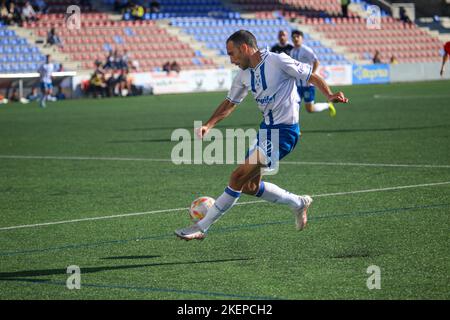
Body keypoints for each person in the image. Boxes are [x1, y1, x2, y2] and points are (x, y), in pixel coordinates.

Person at [174, 30, 348, 240]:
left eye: (232, 54)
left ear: (245, 48)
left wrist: (329, 94)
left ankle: (201, 226)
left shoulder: (278, 60)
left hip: (284, 133)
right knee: (249, 186)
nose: (231, 60)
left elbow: (311, 76)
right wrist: (209, 125)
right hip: (265, 131)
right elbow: (230, 102)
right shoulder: (243, 75)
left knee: (237, 176)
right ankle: (298, 203)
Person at [290, 30, 336, 117]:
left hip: (308, 85)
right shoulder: (292, 51)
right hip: (297, 86)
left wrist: (311, 77)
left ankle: (328, 105)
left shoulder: (306, 50)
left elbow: (316, 62)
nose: (295, 39)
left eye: (297, 37)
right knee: (293, 108)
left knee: (310, 109)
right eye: (293, 37)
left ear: (302, 38)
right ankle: (296, 130)